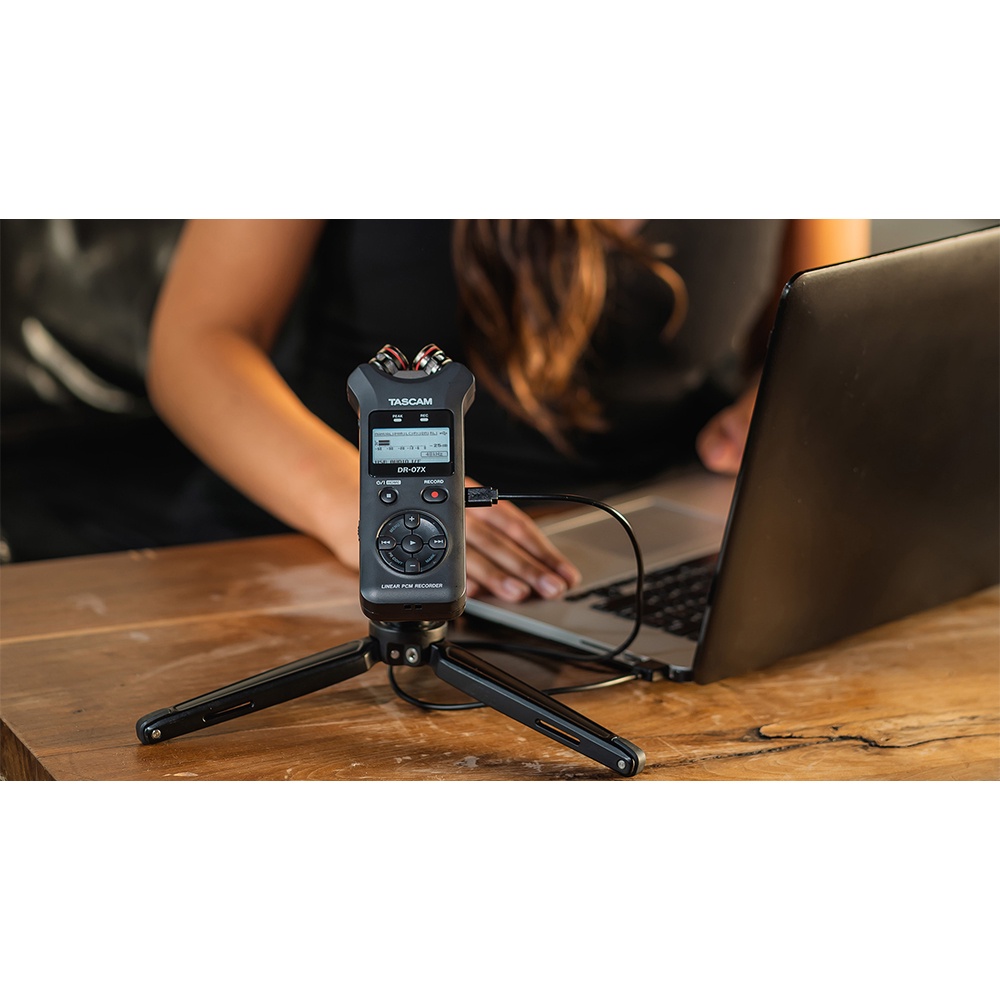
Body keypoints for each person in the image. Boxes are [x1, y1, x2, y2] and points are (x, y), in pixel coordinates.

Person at [147, 219, 869, 602]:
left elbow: (830, 324)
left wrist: (776, 401)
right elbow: (196, 343)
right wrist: (357, 501)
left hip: (664, 545)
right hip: (341, 541)